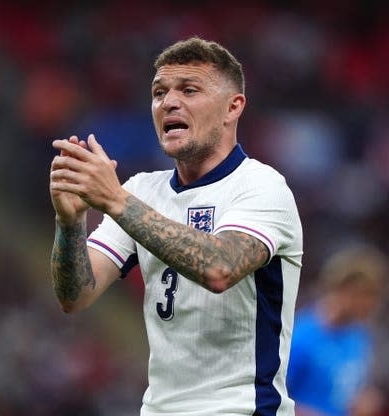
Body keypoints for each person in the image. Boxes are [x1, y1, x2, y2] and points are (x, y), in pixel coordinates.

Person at [49, 37, 303, 415]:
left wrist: (115, 201)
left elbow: (219, 268)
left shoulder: (262, 187)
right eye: (159, 92)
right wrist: (70, 222)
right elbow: (75, 296)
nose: (168, 102)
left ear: (232, 107)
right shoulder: (141, 191)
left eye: (189, 90)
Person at [286, 244, 388, 416]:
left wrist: (365, 400)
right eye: (367, 294)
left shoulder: (360, 338)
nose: (372, 304)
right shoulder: (301, 336)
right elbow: (274, 398)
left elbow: (349, 391)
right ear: (343, 290)